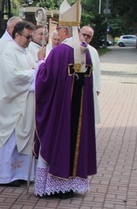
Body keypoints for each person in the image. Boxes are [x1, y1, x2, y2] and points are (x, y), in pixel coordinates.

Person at [34, 26, 98, 198]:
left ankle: (51, 186)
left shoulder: (59, 52)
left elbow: (45, 80)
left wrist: (40, 62)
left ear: (64, 32)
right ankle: (71, 185)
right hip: (79, 111)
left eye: (60, 31)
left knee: (57, 137)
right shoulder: (86, 52)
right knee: (75, 139)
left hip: (60, 111)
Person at [0, 21, 43, 186]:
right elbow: (12, 77)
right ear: (17, 34)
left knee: (18, 140)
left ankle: (19, 174)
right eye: (28, 36)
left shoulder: (25, 53)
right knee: (9, 139)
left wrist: (38, 66)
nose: (30, 40)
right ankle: (3, 176)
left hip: (21, 102)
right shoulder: (8, 52)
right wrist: (35, 71)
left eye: (31, 37)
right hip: (9, 104)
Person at [81, 25, 103, 123]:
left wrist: (97, 88)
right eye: (84, 34)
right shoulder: (71, 48)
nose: (85, 37)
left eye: (88, 36)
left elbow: (97, 70)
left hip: (89, 87)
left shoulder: (93, 51)